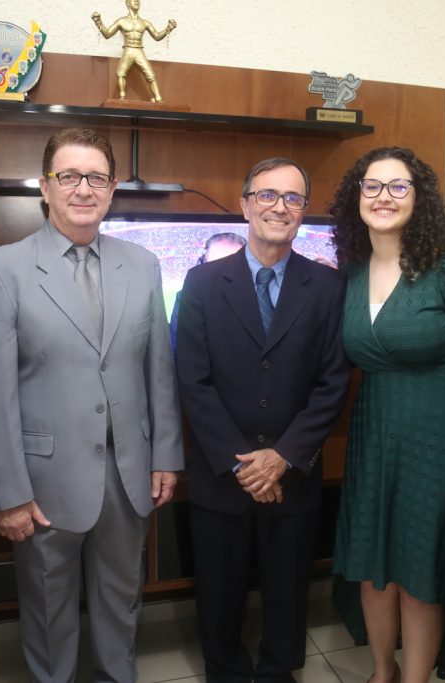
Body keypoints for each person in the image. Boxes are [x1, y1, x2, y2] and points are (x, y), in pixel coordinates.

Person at [0, 127, 183, 683]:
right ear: (45, 186)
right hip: (43, 483)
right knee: (46, 608)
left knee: (121, 602)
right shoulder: (2, 270)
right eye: (69, 176)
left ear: (112, 189)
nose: (83, 189)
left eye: (96, 177)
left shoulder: (141, 265)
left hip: (128, 474)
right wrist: (9, 495)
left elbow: (158, 369)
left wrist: (166, 457)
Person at [176, 158, 350, 683]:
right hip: (220, 474)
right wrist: (243, 465)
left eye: (293, 198)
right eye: (268, 195)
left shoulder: (327, 287)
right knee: (219, 588)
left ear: (303, 211)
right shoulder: (203, 282)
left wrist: (281, 458)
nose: (280, 206)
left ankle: (277, 671)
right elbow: (193, 381)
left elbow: (332, 382)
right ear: (245, 202)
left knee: (287, 588)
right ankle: (225, 670)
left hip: (292, 475)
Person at [329, 147, 445, 682]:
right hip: (373, 432)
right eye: (372, 186)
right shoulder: (351, 269)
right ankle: (383, 670)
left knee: (420, 566)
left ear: (420, 199)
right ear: (357, 196)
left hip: (438, 436)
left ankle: (415, 679)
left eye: (399, 187)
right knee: (374, 568)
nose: (383, 197)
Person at [169, 231, 246, 354]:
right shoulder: (186, 298)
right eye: (214, 266)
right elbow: (179, 351)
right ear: (201, 265)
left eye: (232, 266)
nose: (224, 274)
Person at [91, 0, 177, 102]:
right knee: (121, 73)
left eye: (138, 0)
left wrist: (168, 29)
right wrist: (98, 22)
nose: (137, 1)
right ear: (127, 3)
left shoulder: (144, 22)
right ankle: (122, 97)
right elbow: (108, 34)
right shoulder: (121, 21)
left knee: (150, 74)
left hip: (139, 50)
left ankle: (158, 98)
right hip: (128, 49)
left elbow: (157, 36)